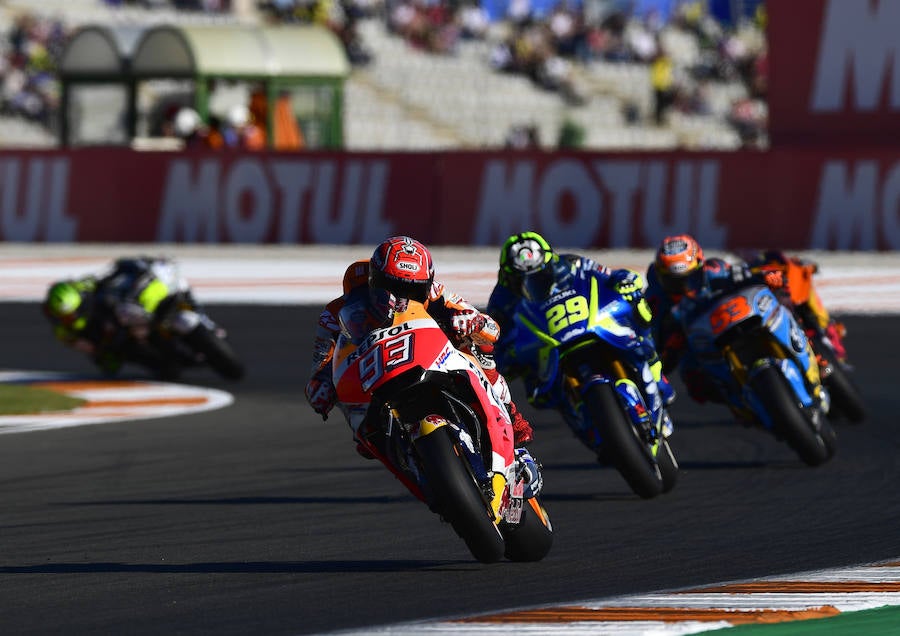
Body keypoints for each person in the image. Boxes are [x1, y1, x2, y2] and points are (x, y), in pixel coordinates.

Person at [305, 236, 537, 453]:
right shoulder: (335, 312)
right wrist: (321, 383)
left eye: (412, 290)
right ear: (373, 281)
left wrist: (472, 321)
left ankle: (509, 413)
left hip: (429, 354)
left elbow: (491, 328)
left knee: (478, 346)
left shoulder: (437, 293)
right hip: (374, 371)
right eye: (392, 288)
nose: (401, 299)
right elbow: (323, 361)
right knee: (360, 433)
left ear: (426, 284)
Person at [487, 231, 676, 410]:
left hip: (588, 322)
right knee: (534, 392)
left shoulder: (571, 263)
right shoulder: (500, 299)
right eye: (523, 280)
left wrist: (624, 282)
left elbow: (608, 275)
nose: (534, 283)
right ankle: (576, 408)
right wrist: (508, 353)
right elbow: (493, 338)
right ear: (509, 278)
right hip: (543, 343)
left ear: (549, 262)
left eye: (540, 275)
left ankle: (655, 371)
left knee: (637, 308)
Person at [644, 234, 786, 405]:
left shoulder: (715, 269)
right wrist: (671, 346)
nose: (684, 288)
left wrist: (767, 277)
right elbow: (654, 348)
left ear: (700, 266)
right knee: (694, 382)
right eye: (674, 282)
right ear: (661, 277)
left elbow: (746, 275)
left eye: (690, 279)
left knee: (779, 306)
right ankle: (738, 401)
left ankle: (812, 353)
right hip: (697, 342)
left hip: (734, 318)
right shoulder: (655, 301)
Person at [42, 256, 194, 377]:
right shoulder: (62, 331)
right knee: (109, 363)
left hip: (120, 316)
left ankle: (178, 314)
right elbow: (86, 348)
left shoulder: (85, 288)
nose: (68, 319)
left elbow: (105, 277)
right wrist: (99, 349)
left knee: (141, 301)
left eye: (70, 314)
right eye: (63, 316)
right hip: (108, 341)